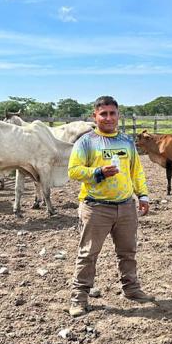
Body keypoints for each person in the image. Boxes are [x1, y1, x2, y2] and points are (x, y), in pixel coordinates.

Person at [67, 96, 155, 317]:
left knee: (128, 252)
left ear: (118, 115)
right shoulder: (86, 142)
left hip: (125, 206)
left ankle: (131, 289)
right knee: (88, 254)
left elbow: (136, 171)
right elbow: (74, 171)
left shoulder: (126, 142)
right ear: (94, 116)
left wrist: (142, 195)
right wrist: (97, 173)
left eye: (112, 113)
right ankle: (79, 297)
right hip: (96, 207)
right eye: (103, 114)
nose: (108, 118)